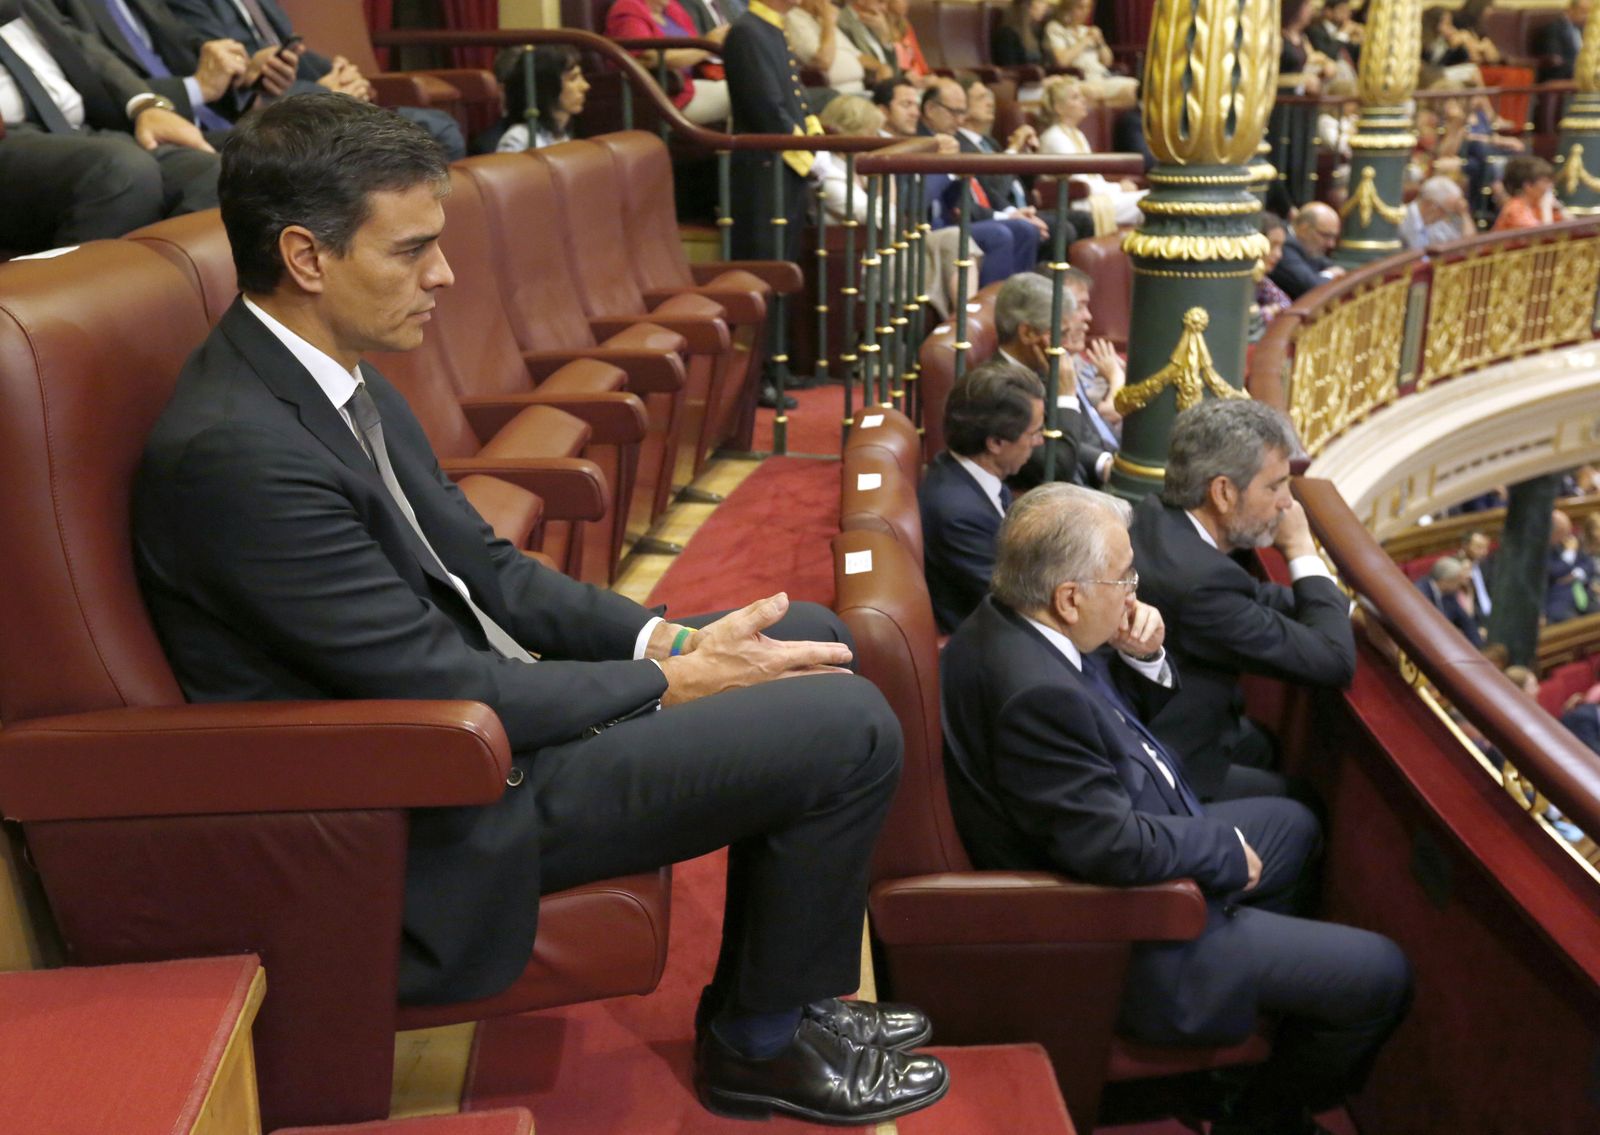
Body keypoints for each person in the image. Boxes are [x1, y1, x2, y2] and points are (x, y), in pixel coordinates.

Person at [131, 92, 950, 1127]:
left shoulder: (331, 377)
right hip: (419, 799)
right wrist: (667, 684)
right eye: (415, 248)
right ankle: (760, 1043)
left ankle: (781, 1001)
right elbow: (431, 687)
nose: (446, 275)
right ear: (306, 256)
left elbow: (485, 566)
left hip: (477, 725)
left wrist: (671, 638)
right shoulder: (233, 453)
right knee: (845, 723)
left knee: (819, 643)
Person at [942, 482, 1411, 1135]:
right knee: (1383, 973)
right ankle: (1260, 1117)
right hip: (1133, 928)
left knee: (1297, 826)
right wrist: (1220, 853)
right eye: (1122, 576)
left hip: (1158, 825)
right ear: (1069, 596)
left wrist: (1145, 655)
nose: (1133, 591)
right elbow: (1104, 845)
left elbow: (1118, 735)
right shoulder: (1034, 693)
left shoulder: (1019, 621)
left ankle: (1237, 1038)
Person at [1129, 400, 1356, 803]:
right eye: (1274, 486)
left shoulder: (1160, 516)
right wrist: (1301, 548)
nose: (1288, 502)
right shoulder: (1200, 583)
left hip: (1177, 722)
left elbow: (1255, 596)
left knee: (1264, 745)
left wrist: (1348, 611)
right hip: (1165, 768)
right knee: (1302, 812)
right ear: (1223, 492)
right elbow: (1333, 660)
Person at [0, 0, 220, 252]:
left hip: (78, 130)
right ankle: (80, 290)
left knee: (212, 172)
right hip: (9, 137)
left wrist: (143, 104)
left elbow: (80, 46)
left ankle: (175, 288)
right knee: (121, 170)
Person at [163, 0, 466, 157]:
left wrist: (344, 74)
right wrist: (325, 94)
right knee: (432, 131)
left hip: (305, 95)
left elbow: (294, 49)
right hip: (261, 112)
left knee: (439, 129)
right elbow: (224, 71)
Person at [724, 0, 816, 408]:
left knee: (782, 268)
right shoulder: (747, 31)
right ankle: (755, 376)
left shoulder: (772, 27)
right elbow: (767, 108)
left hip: (786, 166)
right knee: (761, 272)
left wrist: (816, 143)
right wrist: (808, 155)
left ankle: (776, 365)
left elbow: (795, 100)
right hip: (764, 170)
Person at [919, 359, 1045, 633]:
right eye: (1034, 433)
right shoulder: (959, 513)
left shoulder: (963, 473)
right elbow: (1013, 604)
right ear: (996, 443)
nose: (1039, 442)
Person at [994, 270, 1115, 491]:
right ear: (1028, 333)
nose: (1066, 344)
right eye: (1060, 333)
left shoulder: (1040, 367)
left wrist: (1102, 462)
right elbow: (1057, 466)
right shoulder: (1001, 391)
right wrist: (1066, 397)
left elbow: (1075, 438)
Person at [51, 0, 245, 134]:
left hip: (210, 118)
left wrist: (241, 75)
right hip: (143, 132)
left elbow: (184, 42)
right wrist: (196, 88)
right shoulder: (58, 9)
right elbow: (96, 82)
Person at [918, 77, 1042, 283]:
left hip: (966, 215)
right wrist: (951, 173)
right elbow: (929, 197)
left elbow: (982, 192)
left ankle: (1020, 300)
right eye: (954, 112)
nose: (960, 121)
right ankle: (988, 309)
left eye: (962, 112)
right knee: (999, 234)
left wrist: (1011, 213)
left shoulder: (963, 142)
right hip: (930, 224)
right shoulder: (922, 142)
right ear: (931, 109)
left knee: (1027, 229)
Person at [1036, 75, 1144, 232]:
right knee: (1149, 202)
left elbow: (1094, 176)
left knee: (1151, 199)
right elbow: (1080, 182)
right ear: (1058, 108)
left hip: (1094, 196)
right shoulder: (1054, 137)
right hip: (1077, 202)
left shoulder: (1077, 134)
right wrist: (1118, 188)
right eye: (1075, 97)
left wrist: (1116, 187)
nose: (1083, 101)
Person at [605, 0, 731, 125]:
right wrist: (707, 46)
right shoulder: (628, 7)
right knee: (741, 94)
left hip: (688, 85)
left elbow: (693, 45)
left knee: (743, 85)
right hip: (661, 96)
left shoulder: (673, 9)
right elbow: (647, 57)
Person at [491, 43, 588, 152]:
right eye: (573, 78)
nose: (585, 86)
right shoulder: (518, 140)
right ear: (547, 86)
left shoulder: (564, 136)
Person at [1042, 0, 1136, 105]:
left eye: (1088, 8)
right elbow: (1062, 61)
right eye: (1080, 7)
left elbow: (1107, 62)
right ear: (1068, 8)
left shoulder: (1086, 30)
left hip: (1101, 76)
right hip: (1078, 79)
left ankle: (1101, 109)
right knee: (1132, 90)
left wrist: (1101, 43)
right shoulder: (1056, 28)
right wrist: (1085, 41)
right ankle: (1100, 110)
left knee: (1135, 89)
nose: (1085, 11)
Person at [1270, 202, 1346, 299]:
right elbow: (1312, 287)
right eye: (1326, 236)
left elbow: (1327, 264)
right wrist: (1329, 274)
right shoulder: (1284, 244)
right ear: (1304, 228)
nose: (1331, 244)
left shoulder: (1308, 245)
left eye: (1334, 237)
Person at [786, 0, 865, 94]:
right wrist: (829, 23)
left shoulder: (820, 19)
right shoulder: (794, 18)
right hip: (835, 94)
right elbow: (824, 62)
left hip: (860, 89)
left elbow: (857, 55)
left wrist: (881, 68)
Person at [1414, 557, 1485, 645]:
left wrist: (1479, 647)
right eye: (1457, 581)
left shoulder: (1449, 594)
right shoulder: (1420, 594)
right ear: (1445, 581)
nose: (1459, 585)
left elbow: (1465, 621)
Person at [1250, 213, 1293, 343]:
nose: (1278, 254)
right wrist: (1268, 312)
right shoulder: (1239, 280)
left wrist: (1271, 310)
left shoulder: (1263, 281)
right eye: (1273, 245)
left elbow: (1286, 305)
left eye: (1281, 247)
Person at [1399, 174, 1472, 249]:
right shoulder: (1402, 220)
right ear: (1432, 206)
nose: (1445, 217)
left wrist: (1464, 214)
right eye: (1445, 212)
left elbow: (1466, 244)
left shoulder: (1437, 224)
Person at [1493, 155, 1564, 230]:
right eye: (1545, 182)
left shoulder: (1539, 206)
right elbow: (1539, 236)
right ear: (1528, 186)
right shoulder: (1515, 209)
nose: (1550, 186)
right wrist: (1546, 209)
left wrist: (1562, 210)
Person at [1535, 0, 1590, 82]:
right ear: (1570, 10)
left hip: (1583, 74)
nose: (1587, 16)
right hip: (1564, 76)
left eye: (1589, 12)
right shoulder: (1554, 30)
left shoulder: (1582, 29)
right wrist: (1584, 67)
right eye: (1583, 12)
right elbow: (1555, 61)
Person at [992, 0, 1048, 67]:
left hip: (1038, 75)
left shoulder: (1036, 31)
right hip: (1023, 76)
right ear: (1027, 6)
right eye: (1040, 1)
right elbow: (1010, 70)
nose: (1046, 6)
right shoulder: (1006, 35)